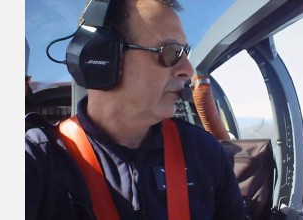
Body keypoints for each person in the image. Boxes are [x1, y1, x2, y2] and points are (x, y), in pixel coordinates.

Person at [25, 0, 247, 219]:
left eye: (185, 52)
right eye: (171, 52)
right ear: (103, 56)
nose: (187, 70)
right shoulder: (37, 159)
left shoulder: (205, 152)